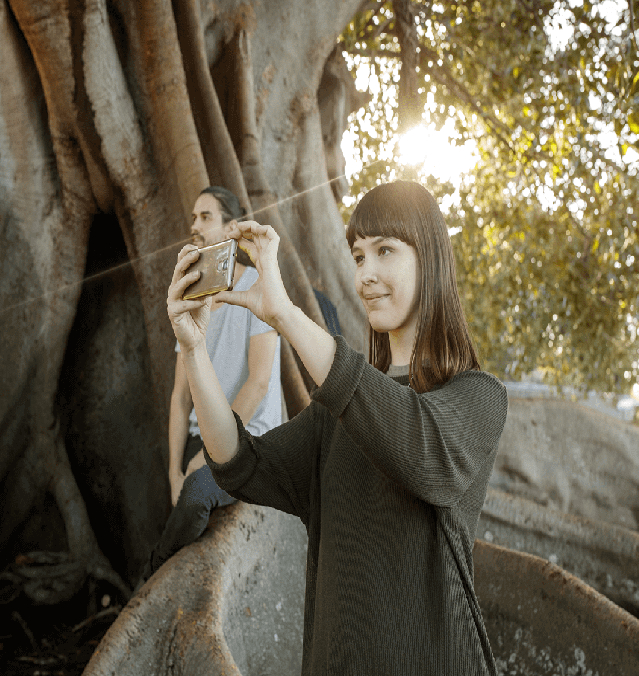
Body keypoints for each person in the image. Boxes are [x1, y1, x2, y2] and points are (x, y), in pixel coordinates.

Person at [166, 180, 508, 674]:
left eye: (385, 251)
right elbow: (240, 463)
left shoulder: (477, 396)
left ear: (430, 257)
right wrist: (194, 350)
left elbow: (420, 450)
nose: (365, 274)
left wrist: (283, 313)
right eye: (358, 256)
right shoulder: (334, 415)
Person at [139, 186, 282, 585]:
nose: (194, 226)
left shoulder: (257, 286)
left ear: (231, 227)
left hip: (248, 438)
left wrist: (208, 455)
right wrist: (172, 470)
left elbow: (258, 382)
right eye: (193, 217)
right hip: (199, 440)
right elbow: (180, 398)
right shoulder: (192, 294)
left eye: (206, 217)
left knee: (199, 493)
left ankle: (153, 576)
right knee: (171, 493)